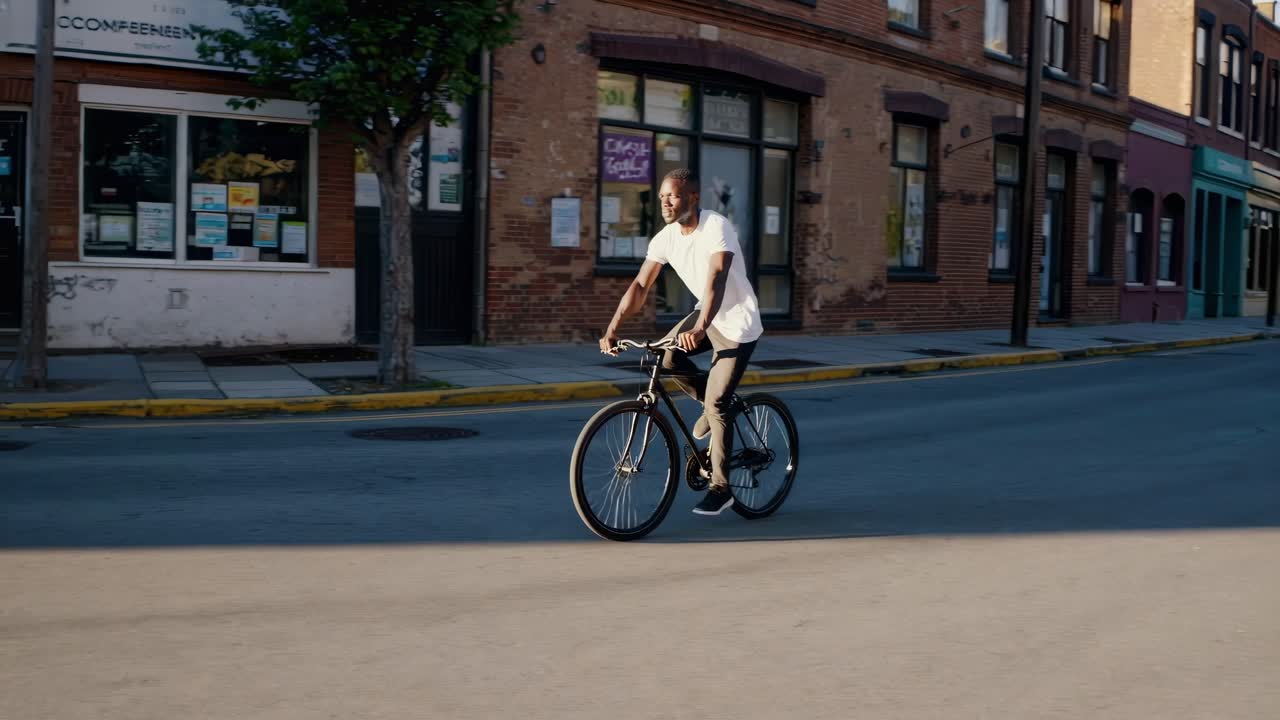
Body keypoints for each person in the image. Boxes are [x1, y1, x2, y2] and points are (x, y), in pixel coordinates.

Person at [599, 168, 762, 516]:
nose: (665, 202)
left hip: (736, 324)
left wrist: (701, 327)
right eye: (661, 197)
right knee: (668, 358)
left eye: (672, 195)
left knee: (717, 404)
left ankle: (722, 488)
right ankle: (716, 409)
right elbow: (641, 287)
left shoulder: (716, 226)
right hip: (705, 316)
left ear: (692, 197)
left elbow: (717, 277)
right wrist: (612, 327)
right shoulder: (665, 238)